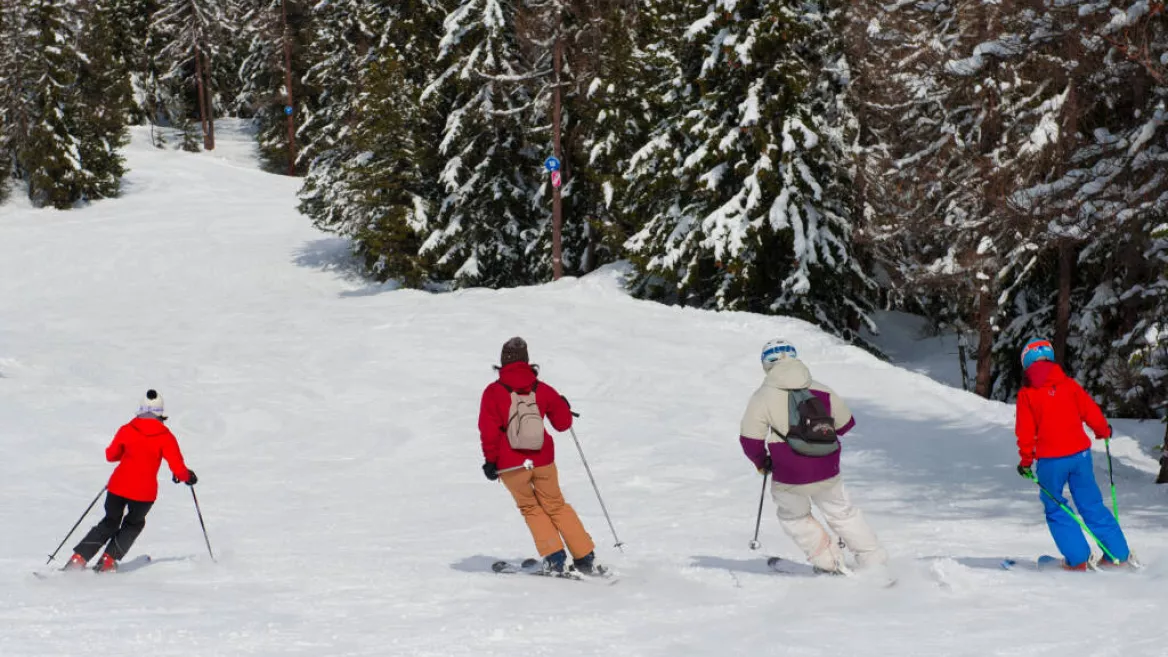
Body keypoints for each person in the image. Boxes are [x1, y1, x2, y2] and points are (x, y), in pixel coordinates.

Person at [739, 339, 887, 574]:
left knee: (794, 517)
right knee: (843, 514)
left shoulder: (762, 396)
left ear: (766, 364)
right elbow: (846, 424)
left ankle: (830, 564)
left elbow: (750, 440)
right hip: (827, 468)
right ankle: (875, 562)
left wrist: (762, 462)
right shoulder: (821, 388)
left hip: (789, 473)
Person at [478, 337, 603, 576]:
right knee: (556, 505)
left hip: (510, 465)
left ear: (503, 362)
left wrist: (490, 461)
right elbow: (563, 424)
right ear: (527, 361)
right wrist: (563, 406)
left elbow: (488, 430)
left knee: (530, 508)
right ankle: (584, 555)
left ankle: (554, 557)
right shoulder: (542, 388)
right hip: (542, 460)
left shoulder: (493, 392)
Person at [1015, 338, 1131, 570]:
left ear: (1026, 363)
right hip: (1080, 456)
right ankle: (1118, 555)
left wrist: (1026, 461)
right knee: (1091, 503)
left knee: (1056, 506)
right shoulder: (1068, 385)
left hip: (1050, 461)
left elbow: (1025, 432)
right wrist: (1103, 431)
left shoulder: (1027, 393)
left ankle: (1077, 560)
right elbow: (1090, 411)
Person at [65, 390, 197, 572]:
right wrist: (187, 476)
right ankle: (108, 561)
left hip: (118, 487)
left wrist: (128, 453)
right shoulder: (166, 437)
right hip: (143, 494)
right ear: (161, 412)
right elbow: (178, 469)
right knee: (134, 523)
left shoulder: (127, 429)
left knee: (109, 522)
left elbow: (111, 455)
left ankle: (78, 559)